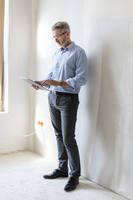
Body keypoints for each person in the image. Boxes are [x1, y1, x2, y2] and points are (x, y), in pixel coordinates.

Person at [32, 21, 88, 192]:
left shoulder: (79, 53)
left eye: (58, 37)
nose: (56, 41)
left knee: (68, 138)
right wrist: (42, 82)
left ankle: (74, 175)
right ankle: (63, 169)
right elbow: (52, 75)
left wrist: (59, 82)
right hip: (53, 97)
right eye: (54, 38)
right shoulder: (57, 53)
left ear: (67, 34)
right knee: (58, 135)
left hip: (68, 100)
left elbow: (82, 79)